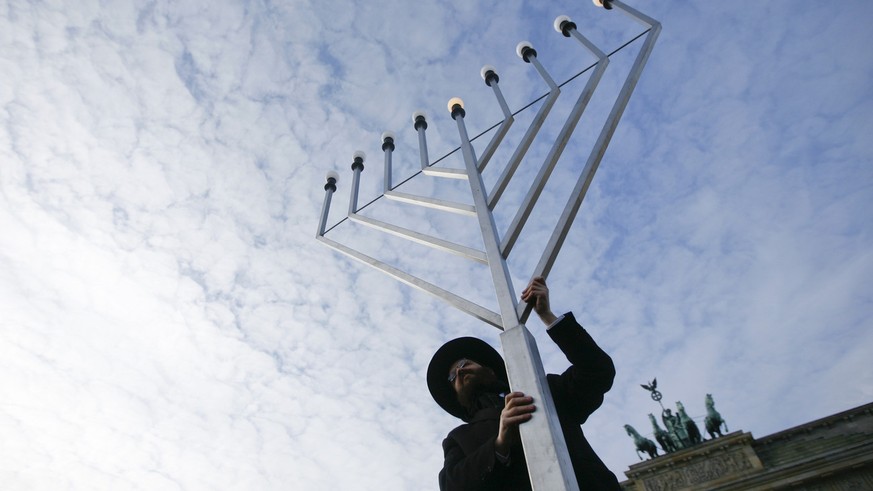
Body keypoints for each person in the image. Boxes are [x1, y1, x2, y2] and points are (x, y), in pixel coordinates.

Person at [426, 277, 621, 490]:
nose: (460, 370)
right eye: (452, 377)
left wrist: (547, 316)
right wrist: (500, 443)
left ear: (490, 370)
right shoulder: (459, 438)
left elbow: (597, 370)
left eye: (464, 363)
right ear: (456, 396)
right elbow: (452, 486)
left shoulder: (544, 392)